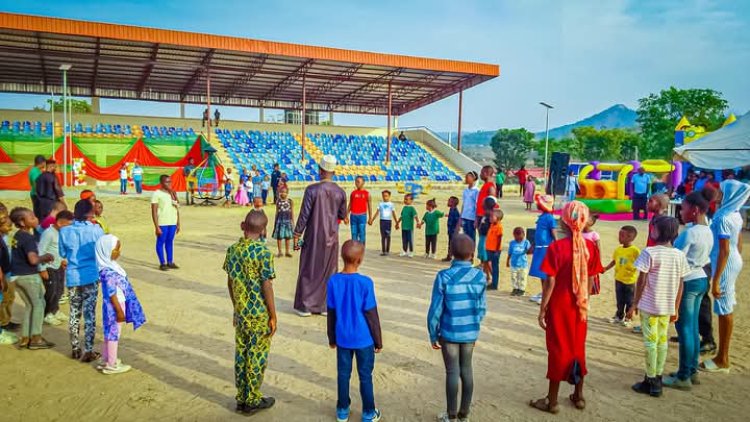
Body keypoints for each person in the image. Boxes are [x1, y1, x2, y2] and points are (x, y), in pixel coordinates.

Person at [529, 201, 603, 414]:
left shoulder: (557, 248)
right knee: (577, 347)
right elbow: (591, 277)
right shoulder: (590, 247)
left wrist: (542, 309)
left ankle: (552, 400)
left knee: (558, 348)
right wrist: (585, 299)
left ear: (564, 221)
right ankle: (578, 395)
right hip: (580, 305)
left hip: (560, 305)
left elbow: (550, 282)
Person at [428, 234, 486, 422]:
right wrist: (475, 324)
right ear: (472, 254)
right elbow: (481, 306)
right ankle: (464, 414)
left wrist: (432, 332)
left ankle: (451, 415)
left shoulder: (444, 276)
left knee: (452, 372)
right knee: (466, 370)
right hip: (469, 332)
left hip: (449, 332)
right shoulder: (480, 276)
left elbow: (436, 308)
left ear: (451, 252)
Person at [224, 210, 277, 415]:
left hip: (242, 312)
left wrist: (236, 308)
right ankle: (252, 399)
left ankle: (242, 398)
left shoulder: (232, 250)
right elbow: (267, 285)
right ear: (263, 230)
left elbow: (230, 282)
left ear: (242, 226)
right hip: (259, 313)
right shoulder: (263, 253)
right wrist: (273, 315)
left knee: (242, 354)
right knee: (257, 356)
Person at [629, 216, 689, 398]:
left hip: (649, 305)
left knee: (650, 342)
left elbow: (641, 281)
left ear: (659, 231)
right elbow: (681, 284)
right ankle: (658, 379)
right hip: (667, 306)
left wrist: (635, 303)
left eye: (653, 229)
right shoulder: (679, 255)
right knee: (661, 342)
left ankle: (650, 379)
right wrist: (676, 307)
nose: (651, 231)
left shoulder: (649, 252)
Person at [327, 240, 383, 422]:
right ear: (360, 259)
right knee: (365, 375)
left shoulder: (333, 281)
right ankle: (368, 412)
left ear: (342, 258)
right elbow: (371, 314)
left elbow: (331, 313)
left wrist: (331, 337)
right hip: (364, 339)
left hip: (343, 338)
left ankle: (342, 410)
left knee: (343, 374)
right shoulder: (366, 283)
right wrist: (378, 340)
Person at [662, 191, 713, 389]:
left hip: (688, 281)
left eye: (683, 208)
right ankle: (691, 370)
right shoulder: (706, 229)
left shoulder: (690, 233)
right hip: (700, 278)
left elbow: (675, 256)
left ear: (695, 210)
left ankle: (683, 376)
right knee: (691, 328)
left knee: (684, 328)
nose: (681, 211)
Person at [700, 180, 750, 373]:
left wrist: (717, 279)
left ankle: (723, 358)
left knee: (724, 308)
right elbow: (738, 243)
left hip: (725, 263)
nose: (718, 194)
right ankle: (722, 356)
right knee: (724, 307)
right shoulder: (735, 214)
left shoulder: (723, 217)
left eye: (722, 192)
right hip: (731, 261)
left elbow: (724, 251)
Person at [293, 155, 347, 317]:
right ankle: (324, 306)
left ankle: (305, 306)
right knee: (328, 270)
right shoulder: (340, 192)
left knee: (308, 269)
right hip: (331, 237)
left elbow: (304, 215)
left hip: (313, 235)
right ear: (334, 171)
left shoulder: (312, 190)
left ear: (320, 170)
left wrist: (297, 234)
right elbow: (342, 214)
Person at [59, 200, 105, 362]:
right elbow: (101, 252)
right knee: (89, 313)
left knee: (74, 312)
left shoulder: (64, 231)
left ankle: (75, 348)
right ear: (90, 213)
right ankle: (89, 350)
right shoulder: (96, 230)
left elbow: (62, 252)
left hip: (73, 276)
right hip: (90, 275)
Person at [96, 234, 146, 375]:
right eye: (115, 249)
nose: (119, 252)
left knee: (109, 332)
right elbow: (111, 293)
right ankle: (111, 364)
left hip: (116, 304)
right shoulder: (109, 272)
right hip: (115, 305)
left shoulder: (110, 267)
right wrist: (119, 311)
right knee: (114, 334)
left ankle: (106, 359)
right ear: (106, 250)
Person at [9, 207, 55, 349]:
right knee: (39, 304)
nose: (36, 219)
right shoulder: (28, 238)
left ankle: (25, 337)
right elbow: (33, 260)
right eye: (31, 217)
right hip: (28, 276)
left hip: (16, 276)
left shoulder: (17, 236)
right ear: (22, 223)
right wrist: (46, 257)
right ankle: (36, 338)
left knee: (30, 305)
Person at [39, 210, 73, 326]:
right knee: (51, 291)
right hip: (49, 267)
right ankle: (47, 314)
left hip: (59, 266)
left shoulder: (62, 233)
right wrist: (42, 269)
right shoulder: (48, 233)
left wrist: (64, 260)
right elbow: (41, 251)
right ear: (59, 223)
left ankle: (55, 310)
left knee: (59, 289)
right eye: (67, 225)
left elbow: (60, 249)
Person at [603, 226, 640, 325]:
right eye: (619, 235)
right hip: (618, 278)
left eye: (622, 235)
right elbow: (614, 261)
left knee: (629, 300)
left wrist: (635, 270)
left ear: (630, 237)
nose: (619, 237)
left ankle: (628, 318)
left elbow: (641, 263)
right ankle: (619, 316)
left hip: (629, 281)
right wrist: (606, 268)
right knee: (620, 300)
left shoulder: (635, 251)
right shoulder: (618, 249)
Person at [529, 194, 557, 305]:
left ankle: (547, 294)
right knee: (541, 273)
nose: (537, 204)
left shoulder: (550, 218)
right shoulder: (542, 217)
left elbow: (553, 232)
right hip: (539, 248)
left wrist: (557, 244)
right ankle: (544, 292)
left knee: (545, 273)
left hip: (546, 249)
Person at [151, 175, 180, 271]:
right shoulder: (157, 194)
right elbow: (154, 211)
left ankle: (170, 262)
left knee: (170, 242)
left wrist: (178, 222)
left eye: (170, 182)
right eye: (167, 182)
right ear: (162, 183)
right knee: (161, 242)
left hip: (172, 221)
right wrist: (156, 226)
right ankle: (162, 263)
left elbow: (177, 208)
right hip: (162, 222)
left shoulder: (173, 192)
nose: (169, 184)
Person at [0, 202, 18, 345]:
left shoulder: (5, 236)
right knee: (3, 299)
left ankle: (5, 322)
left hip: (8, 271)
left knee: (9, 297)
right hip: (3, 273)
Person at [369, 190, 396, 256]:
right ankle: (383, 251)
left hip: (388, 221)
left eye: (386, 196)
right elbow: (377, 212)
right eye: (383, 196)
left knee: (388, 235)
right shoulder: (380, 204)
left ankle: (387, 250)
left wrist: (396, 222)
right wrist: (372, 219)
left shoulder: (391, 204)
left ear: (389, 196)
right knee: (383, 236)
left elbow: (393, 213)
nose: (385, 197)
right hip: (382, 221)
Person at [346, 176, 372, 245]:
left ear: (363, 182)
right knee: (354, 233)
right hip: (353, 215)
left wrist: (370, 218)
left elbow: (369, 206)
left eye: (358, 181)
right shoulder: (353, 193)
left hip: (362, 216)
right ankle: (354, 248)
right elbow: (350, 204)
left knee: (362, 233)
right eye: (356, 181)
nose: (356, 183)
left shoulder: (367, 194)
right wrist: (346, 215)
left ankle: (361, 249)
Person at [507, 227, 532, 296]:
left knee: (522, 277)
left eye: (521, 237)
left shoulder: (526, 242)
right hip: (514, 264)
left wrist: (529, 249)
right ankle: (515, 288)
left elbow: (529, 252)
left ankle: (521, 289)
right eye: (517, 237)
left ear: (523, 235)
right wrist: (507, 261)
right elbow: (510, 253)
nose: (519, 239)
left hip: (523, 264)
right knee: (514, 277)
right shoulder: (512, 243)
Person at [272, 186, 294, 258]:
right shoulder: (278, 201)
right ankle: (280, 252)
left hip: (288, 221)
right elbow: (276, 212)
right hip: (280, 221)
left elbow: (292, 212)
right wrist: (275, 222)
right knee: (279, 237)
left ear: (287, 193)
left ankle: (287, 251)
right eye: (281, 192)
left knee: (288, 237)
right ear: (279, 193)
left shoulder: (290, 201)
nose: (283, 194)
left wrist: (292, 221)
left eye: (284, 192)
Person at [582, 214, 602, 295]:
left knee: (590, 277)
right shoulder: (579, 233)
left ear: (591, 222)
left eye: (585, 220)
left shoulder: (594, 234)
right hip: (581, 259)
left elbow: (598, 249)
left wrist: (599, 261)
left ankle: (588, 294)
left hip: (591, 260)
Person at [485, 208, 504, 290]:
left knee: (495, 266)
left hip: (494, 250)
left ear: (498, 218)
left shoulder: (499, 227)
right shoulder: (492, 225)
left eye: (492, 217)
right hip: (488, 248)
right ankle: (491, 279)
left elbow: (499, 239)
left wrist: (497, 250)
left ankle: (494, 284)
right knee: (486, 262)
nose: (490, 218)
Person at [396, 193, 418, 258]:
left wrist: (418, 222)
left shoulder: (412, 208)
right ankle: (404, 251)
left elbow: (415, 216)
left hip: (409, 227)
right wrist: (397, 223)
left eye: (406, 199)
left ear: (411, 201)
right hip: (403, 227)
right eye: (404, 199)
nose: (405, 201)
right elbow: (402, 216)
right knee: (404, 240)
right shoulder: (404, 208)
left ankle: (411, 251)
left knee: (410, 239)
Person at [474, 166, 497, 230]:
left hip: (485, 217)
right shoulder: (485, 185)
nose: (480, 175)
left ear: (486, 173)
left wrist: (487, 218)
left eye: (481, 173)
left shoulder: (490, 187)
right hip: (480, 215)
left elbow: (492, 204)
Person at [460, 171, 480, 243]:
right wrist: (461, 217)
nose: (466, 179)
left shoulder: (476, 191)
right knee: (465, 236)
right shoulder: (465, 191)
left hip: (472, 218)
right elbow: (464, 204)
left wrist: (476, 219)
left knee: (471, 237)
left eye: (468, 177)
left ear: (473, 178)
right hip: (465, 216)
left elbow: (477, 205)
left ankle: (471, 253)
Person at [443, 196, 461, 262]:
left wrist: (456, 230)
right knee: (450, 243)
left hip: (454, 231)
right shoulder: (451, 210)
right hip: (450, 230)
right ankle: (449, 256)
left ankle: (453, 257)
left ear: (453, 203)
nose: (448, 202)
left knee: (453, 244)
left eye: (449, 201)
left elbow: (458, 221)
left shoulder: (455, 211)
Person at [29, 155, 46, 220]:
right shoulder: (35, 171)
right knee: (39, 214)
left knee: (39, 213)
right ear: (42, 162)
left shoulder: (36, 170)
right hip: (37, 195)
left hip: (36, 194)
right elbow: (36, 183)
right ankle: (37, 229)